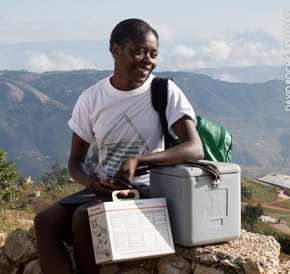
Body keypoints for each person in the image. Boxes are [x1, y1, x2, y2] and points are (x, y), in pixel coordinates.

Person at [34, 18, 204, 274]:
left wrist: (139, 160)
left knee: (85, 217)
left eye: (153, 54)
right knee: (44, 221)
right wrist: (89, 181)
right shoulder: (92, 98)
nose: (148, 60)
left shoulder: (164, 91)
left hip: (147, 191)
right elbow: (75, 162)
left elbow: (194, 148)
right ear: (115, 50)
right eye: (139, 51)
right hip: (103, 192)